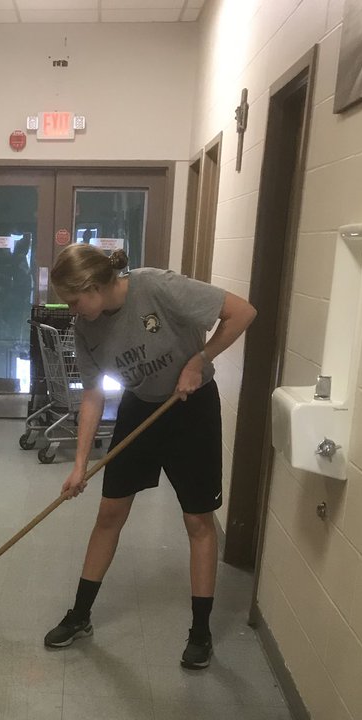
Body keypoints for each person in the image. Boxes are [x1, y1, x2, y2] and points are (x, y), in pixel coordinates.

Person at [43, 244, 256, 668]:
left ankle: (200, 632)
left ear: (97, 285)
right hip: (141, 407)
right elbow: (92, 394)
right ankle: (81, 615)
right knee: (109, 513)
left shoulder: (158, 286)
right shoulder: (86, 327)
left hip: (190, 408)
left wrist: (199, 359)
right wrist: (80, 464)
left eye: (73, 299)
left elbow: (243, 312)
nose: (71, 309)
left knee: (197, 520)